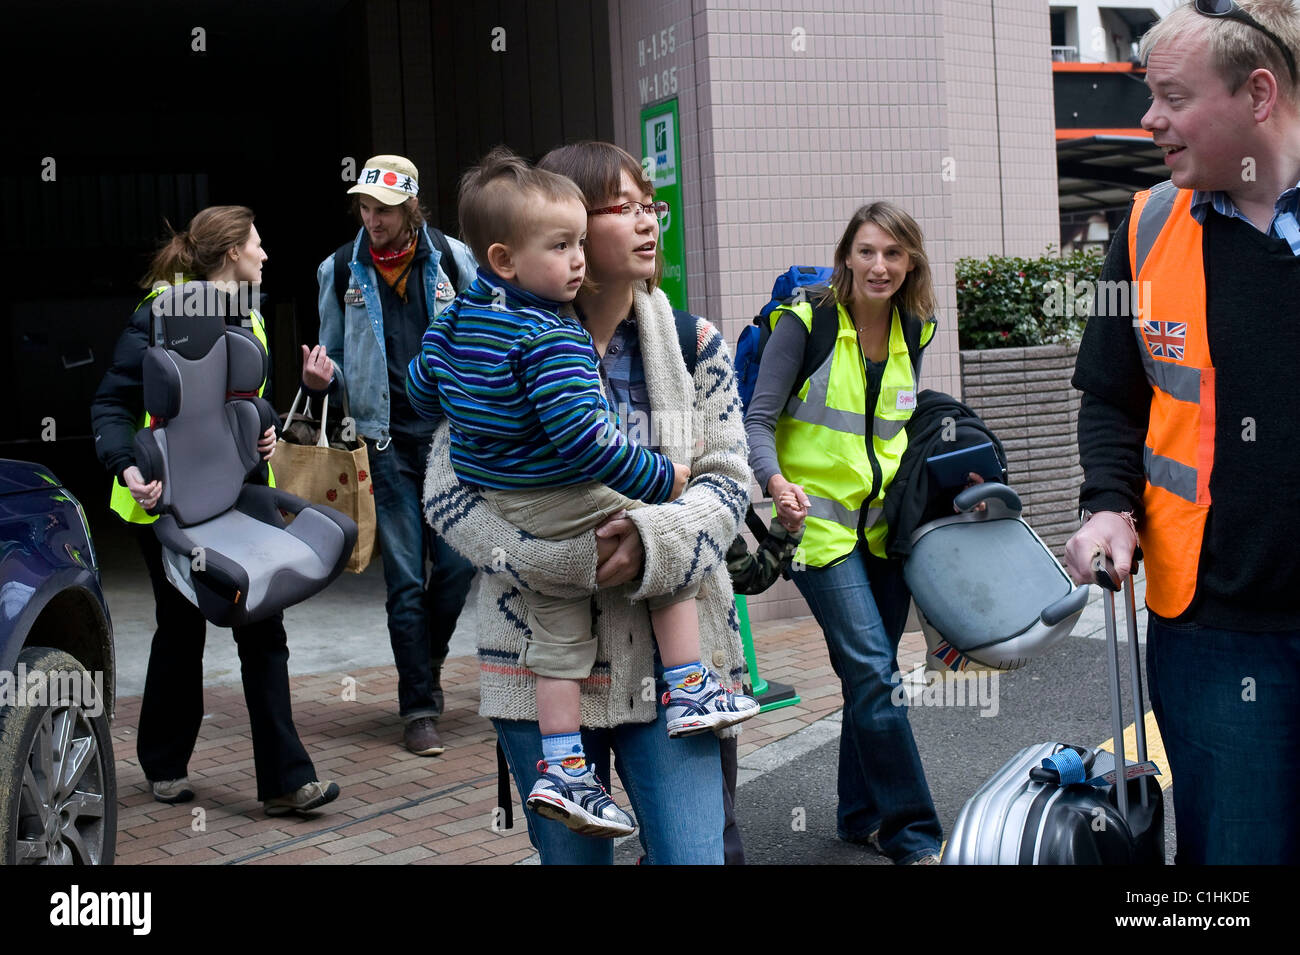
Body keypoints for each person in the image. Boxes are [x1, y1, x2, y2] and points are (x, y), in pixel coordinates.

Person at [418, 141, 751, 864]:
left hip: (671, 675)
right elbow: (446, 495)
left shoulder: (694, 344)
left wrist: (652, 537)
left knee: (694, 856)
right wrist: (554, 559)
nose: (647, 222)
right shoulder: (494, 343)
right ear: (549, 226)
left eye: (650, 204)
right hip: (537, 665)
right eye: (621, 206)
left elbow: (728, 481)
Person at [1064, 0, 1300, 865]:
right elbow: (1111, 398)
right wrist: (1107, 505)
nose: (1148, 119)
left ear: (1259, 95)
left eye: (1170, 96)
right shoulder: (1141, 228)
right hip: (1211, 625)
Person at [91, 205, 340, 816]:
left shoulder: (247, 316)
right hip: (164, 506)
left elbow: (238, 403)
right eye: (257, 242)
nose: (264, 253)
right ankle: (163, 763)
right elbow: (110, 405)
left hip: (233, 497)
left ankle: (286, 781)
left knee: (264, 628)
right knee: (182, 631)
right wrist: (127, 465)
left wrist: (269, 424)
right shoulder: (159, 315)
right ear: (231, 253)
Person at [745, 201, 943, 865]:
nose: (878, 265)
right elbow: (758, 421)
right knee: (875, 672)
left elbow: (901, 428)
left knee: (869, 674)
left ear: (910, 259)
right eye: (866, 251)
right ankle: (914, 833)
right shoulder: (808, 322)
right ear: (846, 256)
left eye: (892, 252)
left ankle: (858, 813)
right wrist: (775, 484)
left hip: (885, 532)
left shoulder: (916, 327)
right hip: (817, 531)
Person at [306, 154, 477, 756]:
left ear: (410, 207)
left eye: (383, 208)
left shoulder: (454, 259)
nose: (372, 219)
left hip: (452, 443)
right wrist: (320, 378)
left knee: (457, 569)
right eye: (365, 207)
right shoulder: (338, 269)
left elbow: (482, 337)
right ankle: (419, 707)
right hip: (384, 443)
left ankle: (427, 659)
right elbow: (330, 351)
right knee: (405, 578)